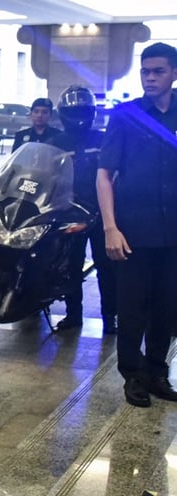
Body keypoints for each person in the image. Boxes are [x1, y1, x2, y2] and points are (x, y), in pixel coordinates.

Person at [96, 41, 177, 408]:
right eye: (145, 71)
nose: (150, 78)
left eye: (158, 71)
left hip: (172, 232)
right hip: (132, 232)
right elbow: (104, 174)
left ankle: (158, 372)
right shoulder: (125, 115)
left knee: (166, 307)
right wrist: (111, 228)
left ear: (174, 73)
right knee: (131, 309)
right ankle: (134, 377)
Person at [48, 86, 115, 333]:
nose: (77, 116)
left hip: (100, 212)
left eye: (82, 111)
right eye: (72, 111)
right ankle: (73, 314)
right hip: (68, 213)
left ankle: (111, 316)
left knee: (107, 267)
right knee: (69, 265)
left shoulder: (102, 139)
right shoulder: (55, 142)